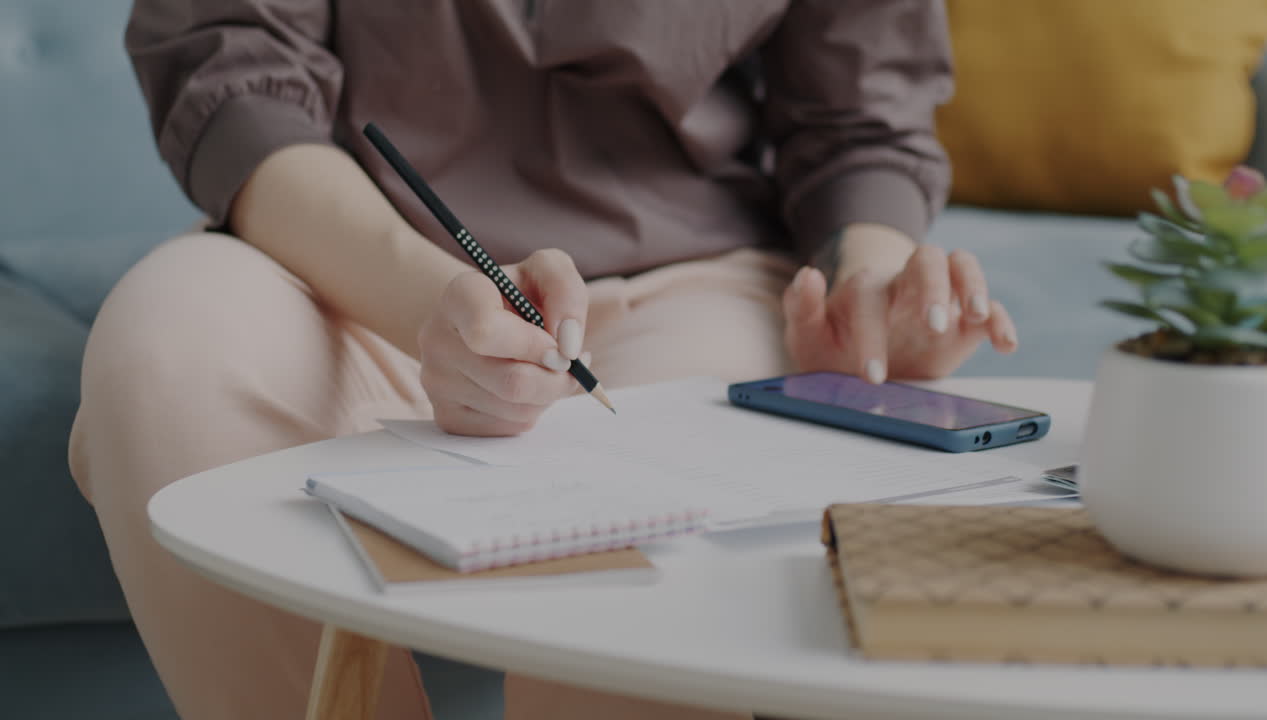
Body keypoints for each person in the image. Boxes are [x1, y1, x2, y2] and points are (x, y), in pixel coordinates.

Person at [70, 1, 1017, 718]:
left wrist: (874, 287)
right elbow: (233, 77)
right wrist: (424, 301)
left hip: (688, 275)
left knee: (665, 509)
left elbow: (859, 121)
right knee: (167, 354)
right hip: (346, 261)